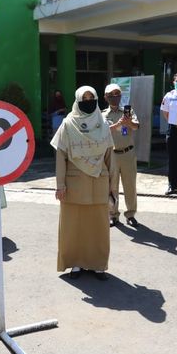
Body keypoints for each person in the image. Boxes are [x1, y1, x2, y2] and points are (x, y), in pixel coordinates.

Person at [52, 85, 113, 281]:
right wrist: (60, 185)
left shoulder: (103, 123)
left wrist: (113, 188)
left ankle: (98, 264)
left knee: (98, 226)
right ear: (77, 101)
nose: (88, 102)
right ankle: (75, 263)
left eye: (91, 98)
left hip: (98, 182)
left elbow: (110, 157)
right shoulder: (68, 124)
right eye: (84, 99)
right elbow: (60, 157)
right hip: (74, 183)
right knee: (73, 226)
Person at [101, 83, 139, 227]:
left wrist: (128, 122)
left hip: (128, 153)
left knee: (130, 186)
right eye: (111, 95)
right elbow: (101, 132)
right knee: (112, 187)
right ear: (106, 97)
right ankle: (113, 214)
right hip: (112, 155)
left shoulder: (127, 112)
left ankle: (130, 214)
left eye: (117, 94)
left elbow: (136, 126)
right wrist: (116, 125)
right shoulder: (102, 114)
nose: (115, 97)